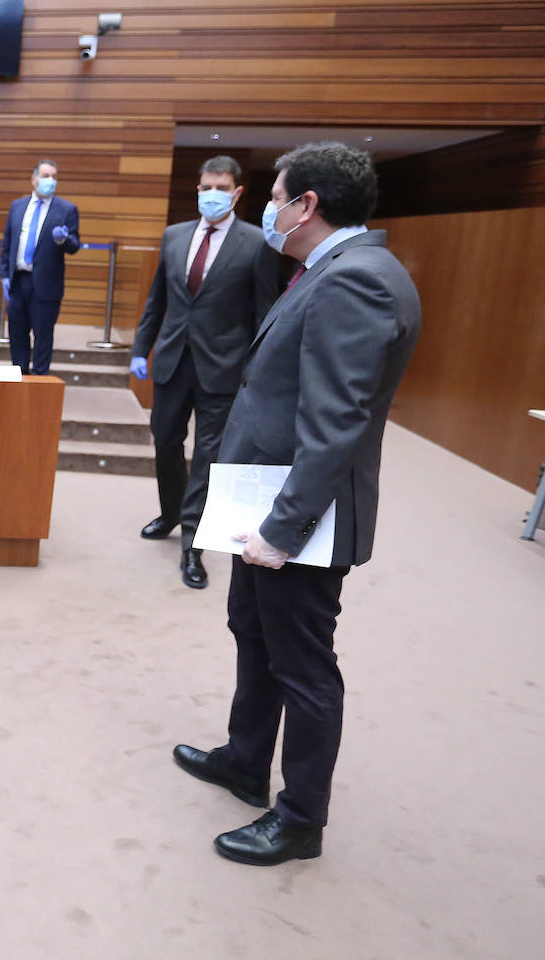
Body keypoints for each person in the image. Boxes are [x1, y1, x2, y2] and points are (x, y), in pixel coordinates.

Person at [172, 142, 421, 865]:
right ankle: (246, 758)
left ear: (306, 205)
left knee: (305, 667)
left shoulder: (357, 282)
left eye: (274, 198)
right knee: (252, 628)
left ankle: (301, 817)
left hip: (299, 520)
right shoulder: (332, 269)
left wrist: (281, 531)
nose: (267, 211)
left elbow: (335, 422)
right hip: (265, 497)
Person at [130, 155, 281, 589]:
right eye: (204, 187)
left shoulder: (256, 243)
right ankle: (171, 512)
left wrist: (258, 369)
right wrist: (142, 347)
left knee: (208, 456)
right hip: (173, 361)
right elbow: (157, 299)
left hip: (224, 368)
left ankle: (193, 544)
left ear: (236, 194)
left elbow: (265, 313)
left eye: (219, 188)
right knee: (165, 440)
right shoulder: (174, 236)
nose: (210, 195)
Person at [0, 160, 82, 375]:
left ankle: (39, 382)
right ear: (34, 179)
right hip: (18, 280)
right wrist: (4, 274)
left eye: (54, 176)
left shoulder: (66, 209)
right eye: (46, 176)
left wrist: (64, 240)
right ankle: (19, 376)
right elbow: (8, 242)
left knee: (43, 336)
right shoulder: (18, 206)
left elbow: (74, 246)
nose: (51, 181)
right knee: (17, 334)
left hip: (46, 284)